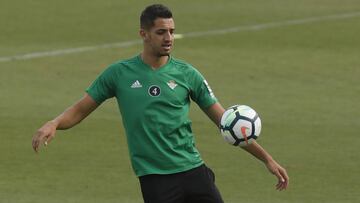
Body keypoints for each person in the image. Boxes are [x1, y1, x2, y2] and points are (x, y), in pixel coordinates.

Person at [32, 4, 289, 203]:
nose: (169, 38)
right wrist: (54, 123)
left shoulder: (188, 74)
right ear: (143, 34)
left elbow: (228, 123)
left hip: (194, 172)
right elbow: (80, 109)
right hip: (155, 179)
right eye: (161, 32)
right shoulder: (119, 74)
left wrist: (267, 159)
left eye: (172, 31)